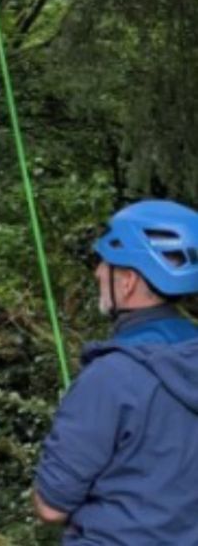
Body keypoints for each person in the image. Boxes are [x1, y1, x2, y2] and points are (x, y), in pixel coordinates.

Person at [34, 199, 198, 544]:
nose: (97, 273)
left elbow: (51, 507)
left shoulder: (111, 378)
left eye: (105, 263)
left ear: (128, 281)